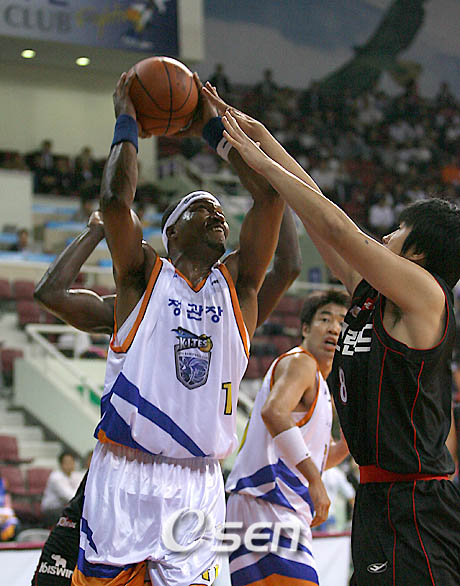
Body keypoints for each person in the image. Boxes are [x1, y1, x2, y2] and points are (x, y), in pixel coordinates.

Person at [40, 70, 292, 585]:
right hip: (125, 472)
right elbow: (116, 204)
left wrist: (213, 129)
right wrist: (127, 122)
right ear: (172, 231)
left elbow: (270, 199)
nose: (218, 214)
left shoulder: (238, 288)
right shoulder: (143, 278)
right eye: (203, 208)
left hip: (200, 481)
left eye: (220, 210)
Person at [204, 86, 460, 585]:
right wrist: (266, 141)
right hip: (378, 498)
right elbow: (319, 218)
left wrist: (261, 162)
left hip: (418, 504)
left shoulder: (428, 297)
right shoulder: (371, 298)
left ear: (419, 254)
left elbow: (343, 231)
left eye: (398, 231)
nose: (385, 237)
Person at [225, 291, 350, 585]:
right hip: (268, 501)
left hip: (261, 502)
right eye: (325, 319)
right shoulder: (301, 363)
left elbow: (312, 458)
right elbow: (274, 412)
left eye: (342, 322)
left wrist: (349, 445)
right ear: (305, 328)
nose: (334, 328)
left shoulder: (321, 384)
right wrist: (315, 482)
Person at [41, 451, 83, 527]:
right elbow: (70, 497)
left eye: (71, 462)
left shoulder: (76, 475)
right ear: (61, 464)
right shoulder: (56, 477)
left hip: (66, 507)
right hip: (52, 509)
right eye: (66, 462)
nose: (69, 465)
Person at [0, 473, 18, 541]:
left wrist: (6, 514)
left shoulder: (3, 482)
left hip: (2, 512)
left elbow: (7, 500)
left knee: (14, 522)